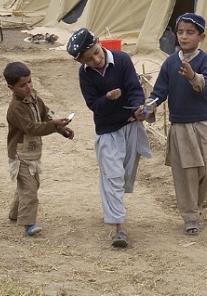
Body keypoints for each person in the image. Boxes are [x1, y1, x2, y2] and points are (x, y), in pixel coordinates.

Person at [67, 28, 151, 249]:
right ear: (80, 62)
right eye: (88, 59)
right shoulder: (85, 74)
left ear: (98, 42)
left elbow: (134, 89)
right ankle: (119, 227)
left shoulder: (122, 60)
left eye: (96, 52)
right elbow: (94, 105)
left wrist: (138, 108)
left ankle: (113, 208)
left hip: (131, 125)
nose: (96, 59)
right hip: (107, 131)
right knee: (112, 176)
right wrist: (107, 98)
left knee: (123, 176)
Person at [142, 13, 207, 237]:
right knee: (186, 174)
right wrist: (148, 108)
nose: (184, 37)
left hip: (203, 125)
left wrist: (193, 76)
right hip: (181, 128)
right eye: (180, 32)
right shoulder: (170, 62)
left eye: (190, 32)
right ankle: (190, 216)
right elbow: (159, 92)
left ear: (201, 36)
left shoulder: (205, 61)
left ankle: (196, 206)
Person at [3, 61, 74, 237]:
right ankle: (29, 223)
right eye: (22, 85)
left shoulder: (34, 97)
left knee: (31, 185)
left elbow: (46, 114)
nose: (28, 87)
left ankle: (14, 214)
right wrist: (53, 125)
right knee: (29, 189)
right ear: (11, 88)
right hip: (20, 154)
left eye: (29, 82)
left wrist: (61, 128)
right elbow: (31, 128)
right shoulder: (15, 108)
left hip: (32, 151)